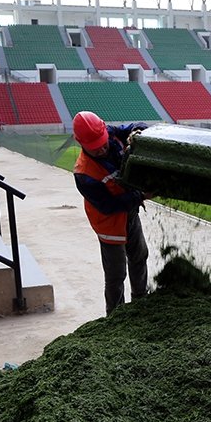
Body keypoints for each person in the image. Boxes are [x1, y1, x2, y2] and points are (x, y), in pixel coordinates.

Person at [72, 110, 152, 315]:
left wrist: (138, 131)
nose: (102, 149)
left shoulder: (110, 133)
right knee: (116, 274)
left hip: (129, 212)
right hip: (109, 223)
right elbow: (108, 205)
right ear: (80, 143)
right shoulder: (84, 173)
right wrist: (140, 196)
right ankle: (115, 315)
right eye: (95, 148)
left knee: (140, 256)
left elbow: (135, 126)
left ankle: (141, 301)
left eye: (103, 143)